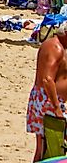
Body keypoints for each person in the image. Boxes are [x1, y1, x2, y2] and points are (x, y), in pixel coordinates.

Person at [30, 16, 67, 160]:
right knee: (52, 146)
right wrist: (57, 108)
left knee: (44, 146)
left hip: (47, 99)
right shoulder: (55, 48)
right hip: (49, 101)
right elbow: (47, 79)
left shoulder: (56, 45)